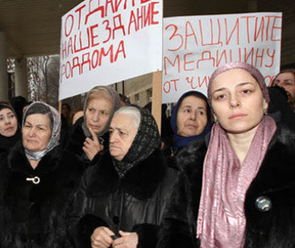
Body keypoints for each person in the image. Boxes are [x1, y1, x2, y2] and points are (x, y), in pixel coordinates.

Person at [158, 62, 295, 248]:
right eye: (221, 96)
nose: (233, 102)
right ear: (213, 112)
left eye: (245, 91)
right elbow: (176, 231)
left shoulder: (290, 152)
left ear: (264, 100)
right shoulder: (193, 162)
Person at [69, 106, 177, 248]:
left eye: (122, 133)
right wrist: (90, 233)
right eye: (111, 131)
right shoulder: (93, 173)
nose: (113, 139)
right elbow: (73, 221)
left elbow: (183, 236)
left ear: (142, 137)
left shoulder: (172, 180)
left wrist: (144, 240)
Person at [0, 102, 84, 247]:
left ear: (54, 132)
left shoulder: (71, 166)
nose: (31, 133)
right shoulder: (3, 164)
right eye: (28, 126)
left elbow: (77, 220)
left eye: (40, 128)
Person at [63, 86, 121, 163]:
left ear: (113, 115)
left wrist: (100, 160)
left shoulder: (122, 145)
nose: (95, 118)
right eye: (91, 110)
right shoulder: (69, 139)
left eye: (103, 113)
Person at [169, 91, 212, 155]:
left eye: (200, 112)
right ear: (175, 115)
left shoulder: (216, 157)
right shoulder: (162, 153)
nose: (193, 117)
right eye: (187, 110)